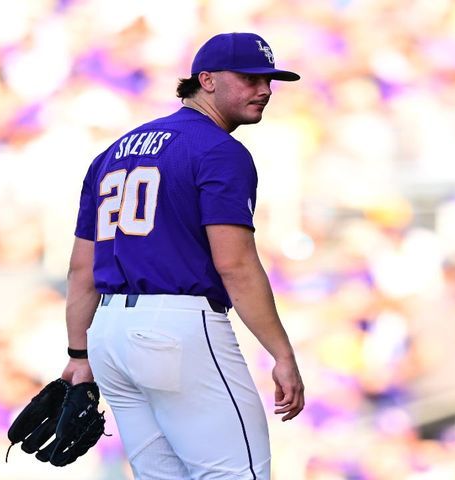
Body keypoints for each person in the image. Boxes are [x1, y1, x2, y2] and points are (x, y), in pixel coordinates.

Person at [59, 32, 305, 479]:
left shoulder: (112, 153)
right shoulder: (219, 150)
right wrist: (281, 353)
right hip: (177, 328)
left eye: (270, 80)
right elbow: (235, 264)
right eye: (250, 78)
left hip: (110, 335)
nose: (265, 89)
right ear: (206, 80)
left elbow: (82, 270)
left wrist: (79, 352)